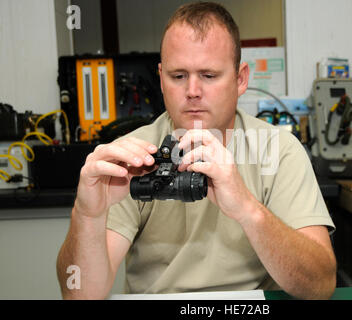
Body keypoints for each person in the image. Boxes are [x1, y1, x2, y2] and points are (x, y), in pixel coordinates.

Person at [56, 1, 336, 300]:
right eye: (178, 76)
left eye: (209, 75)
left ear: (240, 78)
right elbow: (81, 295)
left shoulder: (278, 151)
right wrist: (87, 214)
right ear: (161, 77)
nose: (192, 91)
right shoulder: (130, 158)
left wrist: (246, 208)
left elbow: (319, 287)